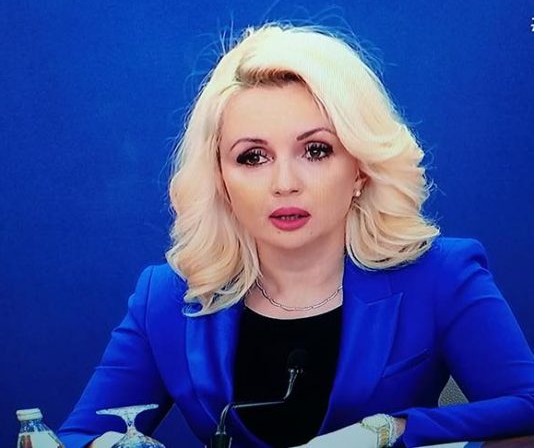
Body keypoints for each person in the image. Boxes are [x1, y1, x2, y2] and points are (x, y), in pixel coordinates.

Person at [58, 23, 534, 448]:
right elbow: (76, 436)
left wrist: (389, 430)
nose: (285, 183)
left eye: (316, 150)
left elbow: (527, 405)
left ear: (361, 168)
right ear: (220, 177)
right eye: (253, 157)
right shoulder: (166, 296)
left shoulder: (441, 275)